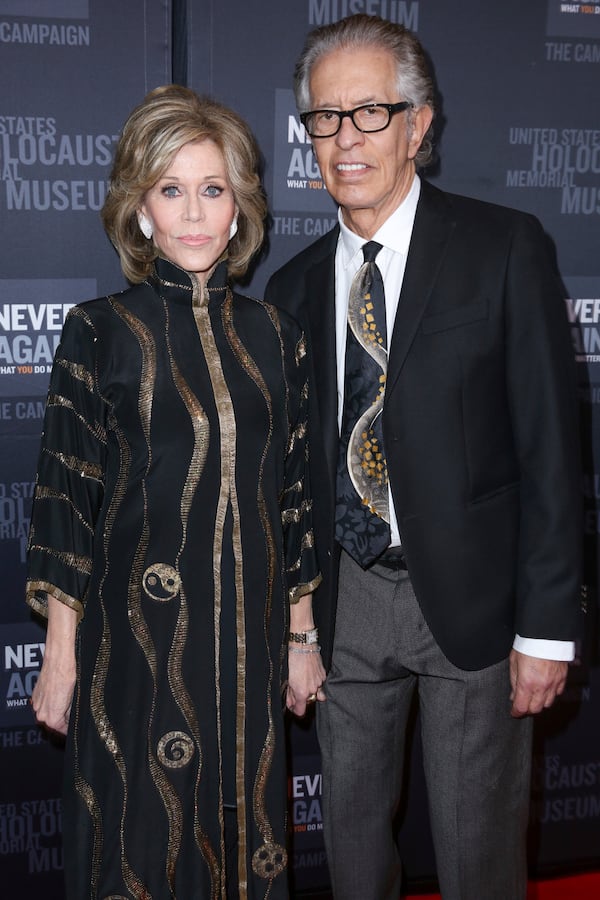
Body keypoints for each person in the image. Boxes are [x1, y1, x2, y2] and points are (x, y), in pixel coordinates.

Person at [265, 14, 582, 900]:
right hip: (344, 603)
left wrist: (547, 627)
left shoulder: (504, 248)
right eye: (325, 118)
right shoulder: (289, 290)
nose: (346, 138)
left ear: (420, 124)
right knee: (355, 860)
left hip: (475, 608)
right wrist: (297, 629)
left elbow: (552, 450)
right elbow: (288, 481)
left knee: (481, 858)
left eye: (371, 112)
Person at [26, 84, 324, 900]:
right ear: (140, 210)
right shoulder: (99, 331)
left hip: (254, 648)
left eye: (212, 189)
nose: (193, 213)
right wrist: (60, 651)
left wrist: (302, 637)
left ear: (239, 210)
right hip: (133, 646)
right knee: (139, 840)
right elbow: (64, 498)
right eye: (171, 190)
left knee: (247, 838)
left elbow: (295, 494)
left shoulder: (278, 339)